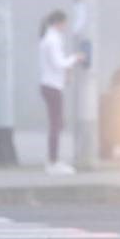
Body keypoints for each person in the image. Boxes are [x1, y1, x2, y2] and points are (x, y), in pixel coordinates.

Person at [38, 10, 82, 175]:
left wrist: (67, 70)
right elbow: (57, 63)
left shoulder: (50, 38)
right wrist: (75, 59)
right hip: (52, 86)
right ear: (58, 23)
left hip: (51, 84)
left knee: (58, 123)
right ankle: (53, 162)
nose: (65, 26)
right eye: (64, 23)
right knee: (56, 125)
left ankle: (53, 159)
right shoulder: (52, 40)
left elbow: (55, 63)